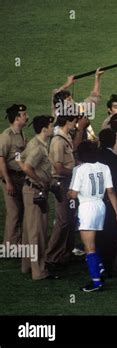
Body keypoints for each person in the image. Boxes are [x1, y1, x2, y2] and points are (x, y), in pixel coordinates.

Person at [68, 141, 117, 292]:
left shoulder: (79, 169)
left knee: (88, 246)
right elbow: (111, 191)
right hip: (101, 206)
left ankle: (96, 282)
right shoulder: (104, 167)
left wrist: (64, 192)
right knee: (93, 243)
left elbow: (73, 194)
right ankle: (99, 268)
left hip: (87, 207)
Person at [19, 116, 57, 280]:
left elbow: (19, 159)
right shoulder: (39, 148)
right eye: (51, 126)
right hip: (36, 191)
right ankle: (39, 271)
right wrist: (40, 180)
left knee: (29, 231)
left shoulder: (35, 143)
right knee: (37, 233)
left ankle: (27, 266)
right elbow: (27, 167)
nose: (53, 128)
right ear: (44, 129)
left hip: (29, 190)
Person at [45, 114, 78, 268]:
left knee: (70, 219)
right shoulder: (58, 141)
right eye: (74, 121)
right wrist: (76, 172)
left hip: (68, 182)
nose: (76, 124)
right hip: (61, 183)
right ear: (67, 122)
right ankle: (51, 256)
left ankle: (64, 254)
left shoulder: (67, 137)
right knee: (63, 220)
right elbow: (58, 168)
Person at [96, 128, 117, 275]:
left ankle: (96, 265)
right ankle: (107, 267)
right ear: (114, 142)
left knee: (96, 234)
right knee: (109, 234)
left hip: (94, 200)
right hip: (109, 201)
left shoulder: (94, 157)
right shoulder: (115, 159)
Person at [0, 104, 28, 245]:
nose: (27, 117)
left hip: (20, 177)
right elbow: (1, 160)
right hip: (9, 178)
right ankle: (9, 245)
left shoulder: (22, 132)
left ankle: (19, 242)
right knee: (14, 212)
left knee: (22, 210)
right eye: (24, 115)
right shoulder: (6, 136)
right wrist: (8, 182)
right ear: (17, 118)